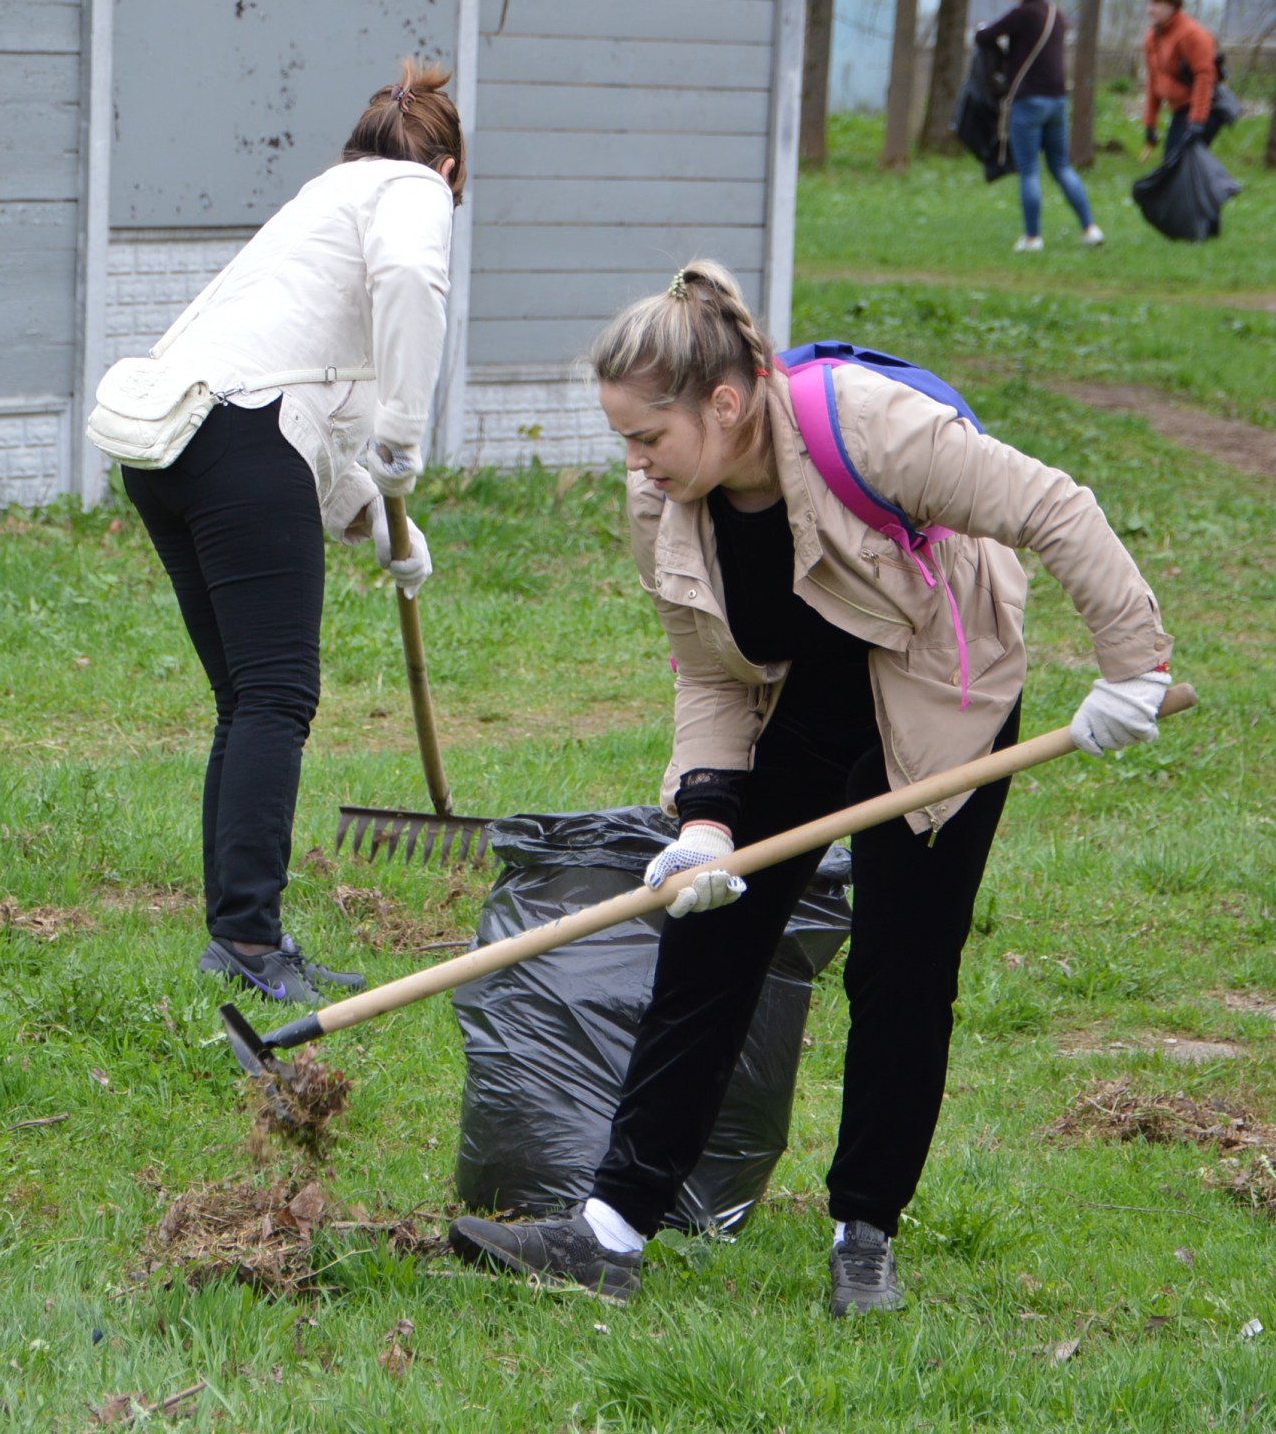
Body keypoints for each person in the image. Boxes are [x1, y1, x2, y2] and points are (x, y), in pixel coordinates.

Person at [449, 261, 1174, 1315]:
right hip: (798, 692)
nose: (634, 464)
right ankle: (608, 1231)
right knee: (708, 931)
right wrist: (703, 823)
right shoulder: (662, 500)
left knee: (900, 960)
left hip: (936, 683)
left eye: (646, 437)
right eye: (624, 443)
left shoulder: (872, 430)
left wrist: (1131, 669)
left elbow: (1054, 507)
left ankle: (863, 1234)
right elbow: (704, 666)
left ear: (726, 403)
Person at [120, 60, 463, 1007]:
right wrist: (404, 428)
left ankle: (239, 933)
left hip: (168, 444)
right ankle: (250, 944)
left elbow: (295, 399)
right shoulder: (411, 190)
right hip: (232, 436)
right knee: (275, 696)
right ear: (448, 172)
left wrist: (374, 513)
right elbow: (411, 281)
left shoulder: (324, 199)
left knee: (246, 699)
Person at [974, 0, 1103, 253]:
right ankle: (1090, 228)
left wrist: (983, 29)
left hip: (1029, 102)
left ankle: (1033, 238)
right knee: (1061, 167)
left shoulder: (1021, 14)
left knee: (1030, 171)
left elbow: (984, 36)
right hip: (1058, 101)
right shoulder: (1056, 15)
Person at [1141, 0, 1221, 165]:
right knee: (1175, 166)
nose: (1149, 9)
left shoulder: (1192, 34)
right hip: (1181, 110)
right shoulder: (1152, 37)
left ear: (1172, 6)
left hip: (1205, 109)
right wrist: (1150, 123)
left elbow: (1205, 77)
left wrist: (1197, 121)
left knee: (1178, 166)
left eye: (1156, 3)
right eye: (1148, 3)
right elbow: (1154, 81)